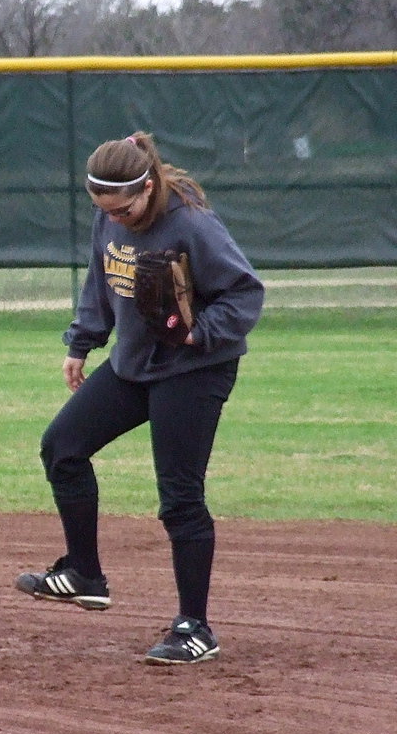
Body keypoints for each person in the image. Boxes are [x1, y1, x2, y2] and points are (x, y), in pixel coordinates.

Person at [14, 131, 264, 665]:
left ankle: (195, 626)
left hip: (194, 370)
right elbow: (101, 282)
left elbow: (245, 293)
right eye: (107, 210)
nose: (117, 218)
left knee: (179, 496)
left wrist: (199, 333)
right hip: (133, 364)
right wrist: (82, 344)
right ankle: (83, 572)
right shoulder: (109, 218)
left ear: (148, 188)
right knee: (62, 446)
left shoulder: (191, 224)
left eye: (125, 208)